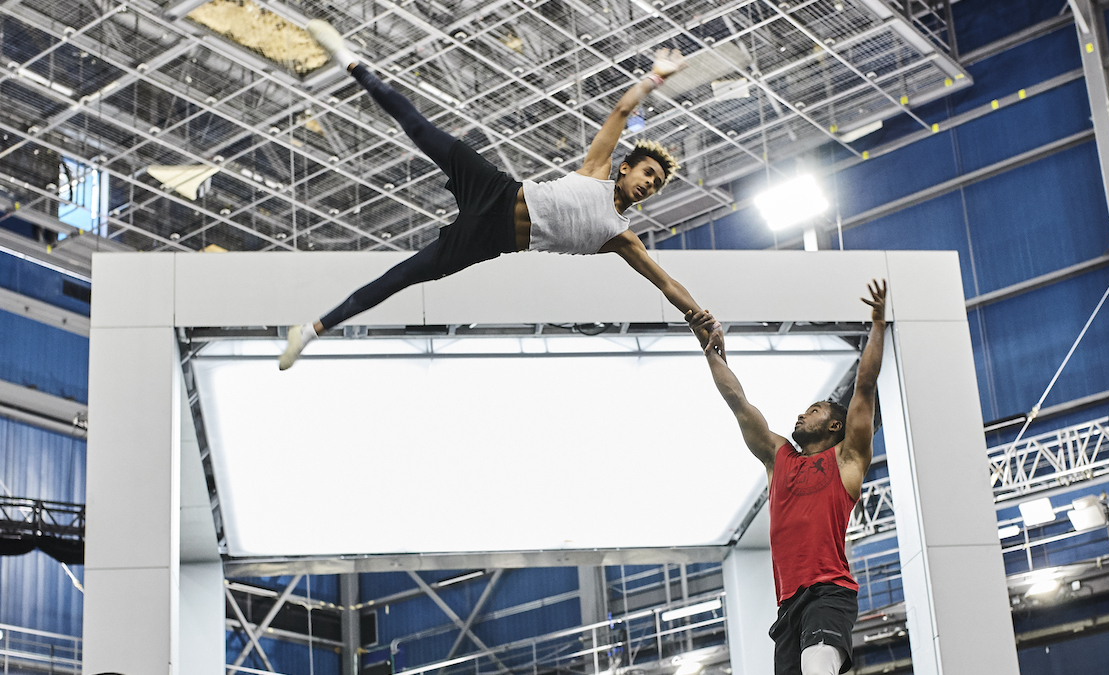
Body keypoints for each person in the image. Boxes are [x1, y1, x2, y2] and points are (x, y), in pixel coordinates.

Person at [279, 20, 710, 369]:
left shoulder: (621, 236)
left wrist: (703, 320)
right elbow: (621, 110)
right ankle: (347, 59)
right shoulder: (597, 170)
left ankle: (311, 330)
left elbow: (667, 284)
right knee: (419, 129)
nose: (649, 184)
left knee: (403, 277)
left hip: (493, 241)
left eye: (655, 185)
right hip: (497, 190)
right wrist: (655, 77)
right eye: (647, 173)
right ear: (625, 167)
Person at [685, 279, 887, 675]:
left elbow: (864, 387)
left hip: (830, 592)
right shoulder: (779, 458)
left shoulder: (847, 461)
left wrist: (877, 325)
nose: (801, 414)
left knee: (817, 666)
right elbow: (738, 403)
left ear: (834, 426)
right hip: (788, 605)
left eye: (813, 410)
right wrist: (711, 353)